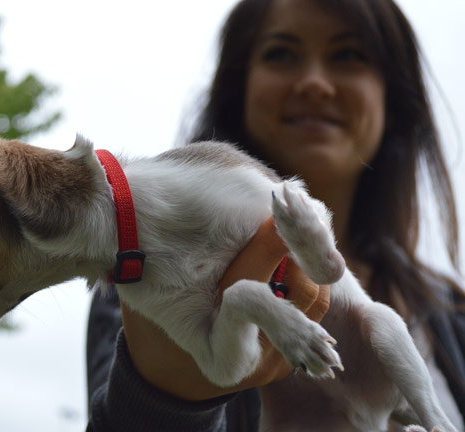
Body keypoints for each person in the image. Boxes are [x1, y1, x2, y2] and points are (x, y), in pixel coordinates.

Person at [86, 0, 465, 430]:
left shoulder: (453, 315)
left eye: (348, 55)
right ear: (240, 87)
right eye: (281, 53)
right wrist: (163, 397)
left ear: (393, 97)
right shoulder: (140, 287)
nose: (314, 83)